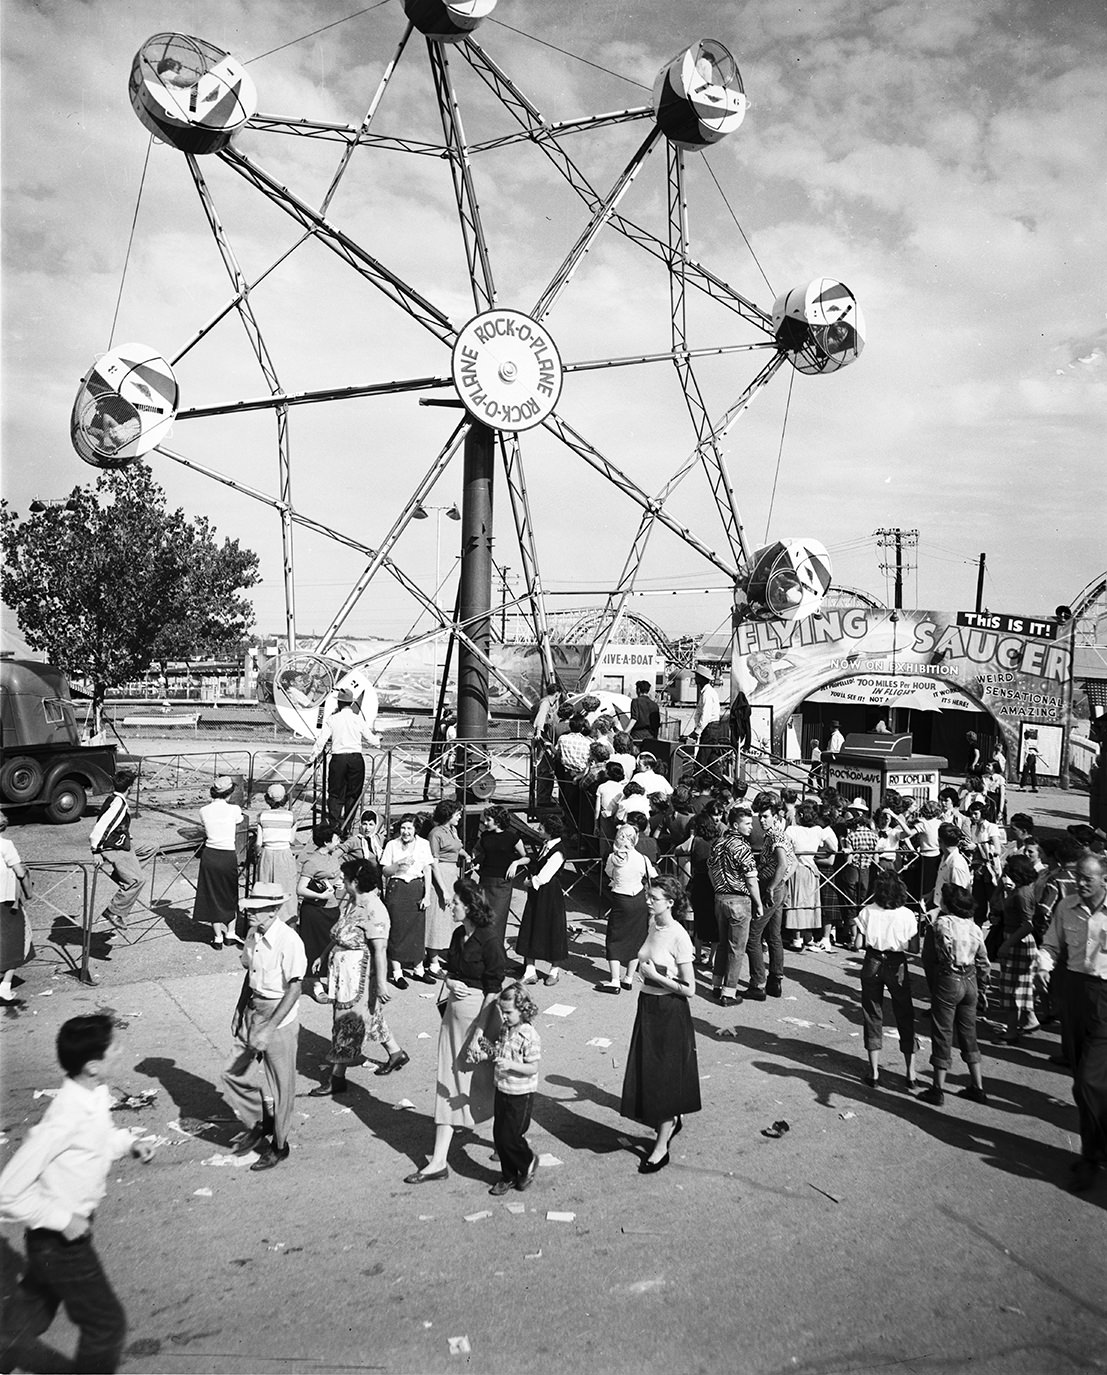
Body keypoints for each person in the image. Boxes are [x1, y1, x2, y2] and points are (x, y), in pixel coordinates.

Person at [0, 1014, 156, 1374]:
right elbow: (7, 1191)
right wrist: (61, 1219)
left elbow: (98, 1139)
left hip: (54, 1240)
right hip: (61, 1240)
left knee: (33, 1307)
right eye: (114, 1047)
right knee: (106, 1325)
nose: (122, 1051)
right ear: (92, 1066)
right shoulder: (65, 1118)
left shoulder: (94, 1094)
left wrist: (130, 1143)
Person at [405, 878, 505, 1183]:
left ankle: (506, 1140)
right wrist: (450, 982)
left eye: (457, 903)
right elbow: (451, 971)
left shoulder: (489, 939)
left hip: (479, 1018)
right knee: (448, 1078)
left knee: (488, 1079)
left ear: (471, 906)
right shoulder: (459, 934)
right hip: (453, 1017)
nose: (451, 906)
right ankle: (438, 1161)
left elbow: (494, 989)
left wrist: (479, 1031)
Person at [222, 883, 307, 1172]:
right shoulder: (252, 935)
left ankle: (279, 1146)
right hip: (253, 1008)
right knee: (232, 1072)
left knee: (282, 1085)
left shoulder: (290, 941)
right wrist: (239, 1008)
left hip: (278, 1016)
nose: (250, 913)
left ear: (272, 910)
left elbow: (295, 989)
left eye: (256, 909)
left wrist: (269, 1028)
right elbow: (251, 974)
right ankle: (260, 1120)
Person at [1036, 854, 1107, 1191]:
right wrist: (1043, 964)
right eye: (1078, 876)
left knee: (1089, 1083)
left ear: (1103, 879)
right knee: (1081, 1078)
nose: (1081, 882)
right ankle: (1095, 1146)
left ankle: (1091, 1157)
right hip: (1075, 994)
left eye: (1088, 878)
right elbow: (1051, 944)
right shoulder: (1066, 907)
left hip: (1105, 997)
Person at [620, 877, 701, 1173]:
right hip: (648, 1007)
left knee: (664, 1079)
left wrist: (656, 977)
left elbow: (690, 988)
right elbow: (645, 958)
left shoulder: (680, 936)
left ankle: (661, 1146)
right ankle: (672, 1120)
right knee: (650, 1073)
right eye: (648, 896)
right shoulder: (654, 924)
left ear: (670, 902)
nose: (648, 901)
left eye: (654, 898)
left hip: (669, 1011)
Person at [310, 859, 408, 1095]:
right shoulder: (353, 901)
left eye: (344, 878)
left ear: (355, 882)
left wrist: (382, 984)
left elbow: (380, 950)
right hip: (343, 972)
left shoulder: (375, 910)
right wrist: (323, 955)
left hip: (358, 975)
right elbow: (340, 932)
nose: (340, 882)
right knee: (370, 1015)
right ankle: (396, 1053)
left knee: (347, 1019)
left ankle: (337, 1077)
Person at [467, 980, 542, 1196]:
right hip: (502, 1088)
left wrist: (511, 1065)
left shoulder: (529, 1035)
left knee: (511, 1137)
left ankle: (528, 1161)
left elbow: (533, 1068)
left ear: (523, 1009)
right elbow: (498, 1054)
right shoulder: (504, 1030)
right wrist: (482, 1056)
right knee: (500, 1136)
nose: (505, 1016)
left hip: (521, 1093)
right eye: (502, 1012)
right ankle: (507, 1176)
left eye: (508, 1012)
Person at [924, 883, 991, 1106]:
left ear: (947, 904)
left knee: (942, 1032)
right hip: (970, 978)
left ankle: (937, 1088)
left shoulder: (942, 923)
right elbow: (983, 961)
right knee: (968, 1032)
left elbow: (937, 954)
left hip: (949, 977)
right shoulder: (975, 928)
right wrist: (982, 988)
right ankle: (978, 1086)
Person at [854, 871, 919, 1090]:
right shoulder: (908, 914)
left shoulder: (867, 911)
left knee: (872, 1014)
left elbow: (858, 944)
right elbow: (914, 948)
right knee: (905, 1014)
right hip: (897, 962)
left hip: (873, 959)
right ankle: (910, 1072)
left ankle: (873, 1072)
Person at [707, 805, 762, 1005]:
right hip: (739, 899)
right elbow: (751, 879)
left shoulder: (718, 842)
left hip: (720, 898)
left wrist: (718, 888)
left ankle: (716, 984)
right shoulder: (741, 847)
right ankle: (729, 993)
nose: (751, 828)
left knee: (722, 944)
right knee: (737, 948)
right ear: (736, 825)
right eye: (747, 824)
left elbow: (711, 869)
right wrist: (758, 903)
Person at [310, 688, 380, 833]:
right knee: (353, 794)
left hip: (339, 759)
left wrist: (312, 757)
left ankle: (335, 826)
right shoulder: (358, 719)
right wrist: (378, 740)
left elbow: (321, 740)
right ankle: (347, 826)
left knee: (335, 794)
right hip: (355, 759)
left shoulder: (332, 719)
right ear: (351, 702)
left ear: (340, 703)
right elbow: (371, 739)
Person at [510, 815, 568, 987]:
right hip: (538, 894)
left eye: (541, 827)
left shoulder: (558, 851)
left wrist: (530, 882)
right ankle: (530, 970)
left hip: (549, 894)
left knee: (553, 929)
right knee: (531, 925)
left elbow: (545, 876)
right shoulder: (546, 846)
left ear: (549, 831)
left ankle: (554, 971)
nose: (538, 829)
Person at [381, 815, 439, 987]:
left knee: (417, 929)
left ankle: (418, 969)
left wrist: (427, 895)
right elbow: (385, 871)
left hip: (416, 888)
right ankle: (397, 973)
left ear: (415, 830)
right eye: (403, 828)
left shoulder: (423, 844)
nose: (406, 832)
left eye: (409, 828)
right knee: (397, 930)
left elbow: (427, 870)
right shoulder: (392, 844)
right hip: (397, 888)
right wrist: (398, 865)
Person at [599, 823, 655, 993]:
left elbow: (609, 873)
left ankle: (615, 980)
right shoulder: (642, 858)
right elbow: (653, 875)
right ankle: (628, 978)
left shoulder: (612, 858)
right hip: (638, 900)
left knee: (615, 938)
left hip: (620, 899)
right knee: (636, 939)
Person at [748, 793, 795, 999]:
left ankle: (758, 983)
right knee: (774, 936)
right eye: (760, 816)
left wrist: (771, 887)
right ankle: (775, 980)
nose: (762, 820)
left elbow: (784, 863)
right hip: (778, 888)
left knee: (753, 936)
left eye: (766, 816)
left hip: (771, 888)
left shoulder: (775, 835)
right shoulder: (777, 834)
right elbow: (792, 863)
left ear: (776, 816)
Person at [89, 769, 145, 935]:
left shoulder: (115, 798)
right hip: (113, 847)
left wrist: (127, 834)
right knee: (138, 881)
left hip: (121, 841)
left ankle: (123, 874)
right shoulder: (118, 804)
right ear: (131, 788)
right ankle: (114, 911)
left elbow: (115, 825)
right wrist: (96, 851)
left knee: (152, 847)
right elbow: (100, 828)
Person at [995, 853, 1042, 1042]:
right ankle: (1023, 1023)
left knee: (1012, 989)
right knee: (1015, 988)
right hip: (1017, 941)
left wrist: (1007, 943)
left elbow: (1027, 924)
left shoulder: (1022, 893)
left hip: (1017, 943)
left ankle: (1012, 1031)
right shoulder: (1022, 890)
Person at [194, 777, 245, 949]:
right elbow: (239, 822)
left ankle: (217, 938)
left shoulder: (204, 810)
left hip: (210, 854)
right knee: (229, 894)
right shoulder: (234, 810)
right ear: (229, 793)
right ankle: (230, 933)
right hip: (227, 854)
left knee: (212, 894)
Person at [784, 800, 838, 951]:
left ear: (800, 815)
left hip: (797, 868)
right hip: (812, 869)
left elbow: (783, 846)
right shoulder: (817, 830)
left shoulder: (791, 831)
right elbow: (833, 847)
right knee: (809, 903)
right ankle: (808, 936)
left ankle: (797, 938)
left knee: (796, 902)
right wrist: (815, 855)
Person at [426, 800, 471, 978]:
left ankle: (450, 957)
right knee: (437, 919)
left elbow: (456, 848)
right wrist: (443, 890)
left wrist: (466, 855)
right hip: (441, 877)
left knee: (451, 919)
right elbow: (434, 863)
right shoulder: (435, 833)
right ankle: (433, 962)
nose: (460, 817)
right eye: (457, 814)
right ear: (448, 815)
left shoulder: (452, 830)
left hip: (453, 874)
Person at [473, 805, 527, 947]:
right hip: (485, 881)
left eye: (488, 820)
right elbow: (476, 850)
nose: (485, 823)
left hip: (502, 884)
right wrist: (477, 862)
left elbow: (527, 858)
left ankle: (495, 957)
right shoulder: (485, 836)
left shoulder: (512, 838)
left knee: (497, 921)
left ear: (497, 821)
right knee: (482, 919)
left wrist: (516, 863)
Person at [296, 824, 343, 981]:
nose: (338, 841)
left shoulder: (332, 857)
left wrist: (339, 883)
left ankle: (330, 980)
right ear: (325, 842)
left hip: (332, 908)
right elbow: (300, 889)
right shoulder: (312, 862)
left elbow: (332, 878)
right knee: (314, 947)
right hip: (315, 911)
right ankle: (315, 984)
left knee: (332, 945)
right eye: (336, 838)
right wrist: (321, 896)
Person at [0, 813, 32, 1007]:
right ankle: (4, 986)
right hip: (5, 900)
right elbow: (19, 871)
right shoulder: (6, 845)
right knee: (15, 940)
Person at [254, 782, 297, 921]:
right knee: (287, 888)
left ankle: (265, 918)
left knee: (265, 888)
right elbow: (291, 840)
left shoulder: (262, 816)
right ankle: (287, 919)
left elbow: (259, 842)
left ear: (268, 799)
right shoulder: (291, 816)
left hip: (268, 853)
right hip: (284, 853)